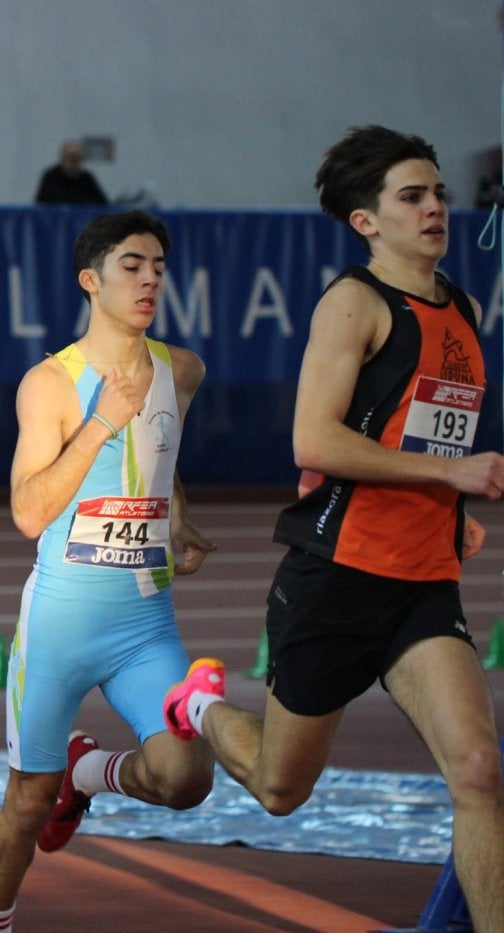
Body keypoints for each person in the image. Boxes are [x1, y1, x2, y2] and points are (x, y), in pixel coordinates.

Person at [162, 125, 504, 932]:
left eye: (439, 193)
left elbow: (419, 433)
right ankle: (202, 703)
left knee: (481, 771)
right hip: (337, 577)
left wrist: (449, 512)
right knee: (281, 789)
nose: (434, 209)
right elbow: (313, 439)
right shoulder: (354, 302)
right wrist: (451, 476)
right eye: (411, 196)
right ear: (367, 221)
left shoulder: (458, 304)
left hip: (422, 583)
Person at [0, 210, 216, 932]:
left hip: (145, 622)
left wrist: (176, 520)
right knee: (24, 801)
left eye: (159, 267)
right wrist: (102, 421)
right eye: (133, 265)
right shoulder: (51, 383)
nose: (149, 280)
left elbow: (163, 462)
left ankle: (86, 773)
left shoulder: (183, 370)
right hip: (61, 623)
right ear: (91, 280)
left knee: (185, 778)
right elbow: (27, 510)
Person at [34, 140, 108, 206]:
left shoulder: (87, 178)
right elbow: (41, 202)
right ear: (63, 157)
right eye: (71, 157)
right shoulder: (51, 176)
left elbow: (102, 203)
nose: (74, 161)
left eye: (77, 158)